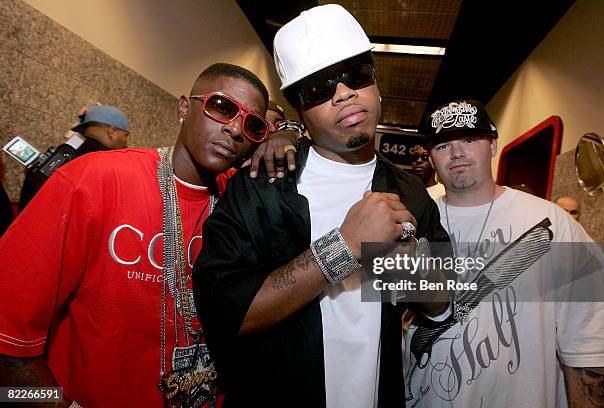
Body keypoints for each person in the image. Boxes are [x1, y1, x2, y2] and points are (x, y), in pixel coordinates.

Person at [193, 5, 451, 407]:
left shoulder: (411, 191)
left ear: (375, 83)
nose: (344, 93)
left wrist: (407, 264)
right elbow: (228, 312)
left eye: (357, 75)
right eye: (319, 89)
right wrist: (343, 247)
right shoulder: (265, 184)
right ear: (300, 110)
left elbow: (443, 302)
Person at [0, 63, 297, 407]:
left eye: (252, 125)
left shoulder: (242, 202)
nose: (234, 129)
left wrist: (288, 132)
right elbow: (7, 348)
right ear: (185, 107)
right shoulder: (93, 180)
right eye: (221, 106)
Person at [404, 99, 604, 407]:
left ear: (492, 145)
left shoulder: (554, 224)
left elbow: (589, 348)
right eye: (443, 145)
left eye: (470, 139)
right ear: (431, 158)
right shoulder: (410, 217)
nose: (458, 152)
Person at [18, 104, 131, 210]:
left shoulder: (63, 153)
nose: (126, 142)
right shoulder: (110, 160)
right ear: (112, 131)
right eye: (125, 135)